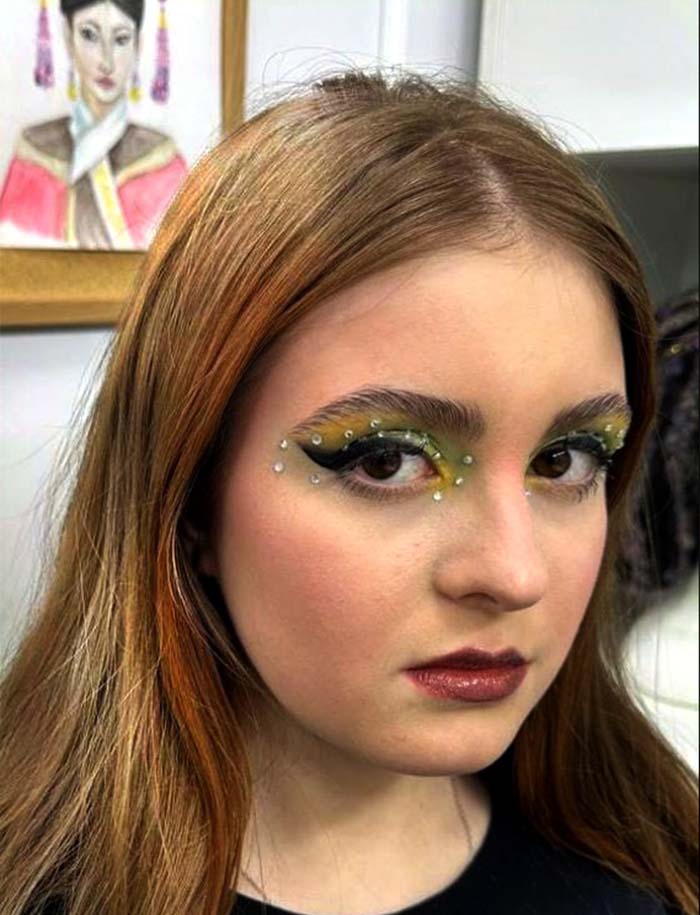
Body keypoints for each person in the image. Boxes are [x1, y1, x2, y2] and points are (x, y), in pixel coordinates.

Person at [0, 70, 697, 915]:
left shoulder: (652, 876)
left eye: (566, 460)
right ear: (191, 500)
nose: (515, 575)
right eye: (387, 461)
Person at [0, 0, 187, 249]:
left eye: (121, 39)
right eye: (89, 35)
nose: (106, 62)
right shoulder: (32, 156)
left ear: (138, 46)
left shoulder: (165, 165)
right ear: (68, 38)